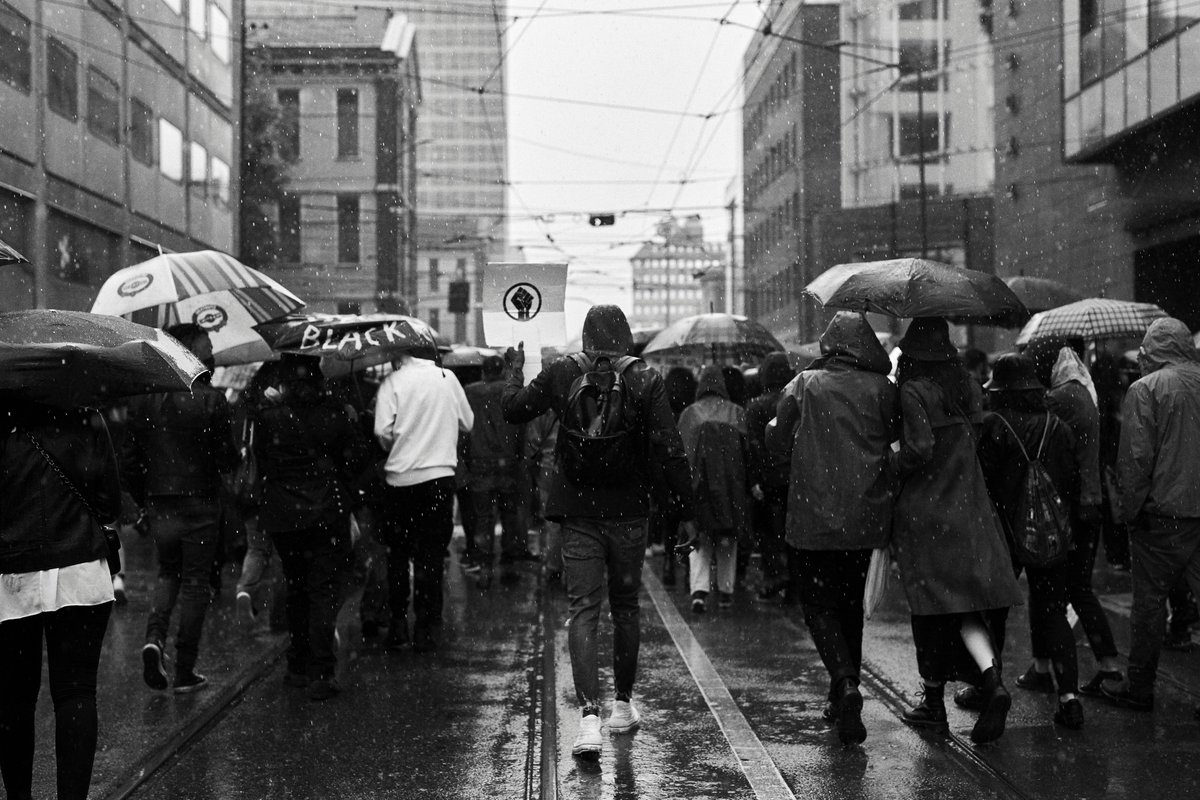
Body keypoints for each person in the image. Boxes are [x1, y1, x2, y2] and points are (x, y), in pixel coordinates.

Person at [502, 305, 696, 760]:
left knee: (583, 610)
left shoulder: (563, 371)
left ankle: (588, 719)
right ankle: (622, 706)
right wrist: (685, 511)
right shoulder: (646, 379)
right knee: (626, 607)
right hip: (629, 511)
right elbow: (670, 449)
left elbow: (513, 411)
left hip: (578, 510)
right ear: (626, 338)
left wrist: (513, 372)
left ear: (586, 337)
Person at [766, 312, 898, 745]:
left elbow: (777, 438)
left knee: (819, 607)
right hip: (865, 517)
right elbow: (895, 436)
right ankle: (845, 691)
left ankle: (843, 683)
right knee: (849, 608)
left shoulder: (806, 384)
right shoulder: (882, 389)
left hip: (813, 516)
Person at [891, 318, 1023, 745]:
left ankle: (933, 705)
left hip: (929, 512)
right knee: (968, 607)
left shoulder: (913, 390)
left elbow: (920, 448)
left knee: (929, 610)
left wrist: (891, 466)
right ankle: (993, 682)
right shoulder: (967, 384)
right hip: (969, 506)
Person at [1, 403, 121, 800]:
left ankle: (18, 795)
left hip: (11, 576)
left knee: (15, 696)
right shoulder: (83, 412)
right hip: (79, 567)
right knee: (76, 692)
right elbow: (109, 502)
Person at [123, 323, 237, 694]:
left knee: (168, 574)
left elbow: (129, 459)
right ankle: (185, 668)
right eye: (206, 348)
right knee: (195, 583)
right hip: (202, 503)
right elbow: (227, 459)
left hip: (161, 503)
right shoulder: (213, 401)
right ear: (192, 354)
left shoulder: (143, 400)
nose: (211, 355)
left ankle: (154, 640)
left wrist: (146, 500)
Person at [976, 353, 1085, 729]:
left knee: (994, 613)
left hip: (1003, 534)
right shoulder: (1059, 426)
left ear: (1000, 390)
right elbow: (1071, 482)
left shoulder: (994, 425)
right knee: (1053, 611)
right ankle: (1070, 699)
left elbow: (983, 485)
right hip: (1049, 535)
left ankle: (990, 687)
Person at [254, 356, 369, 700]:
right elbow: (357, 458)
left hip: (284, 516)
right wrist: (353, 420)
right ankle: (321, 671)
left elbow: (263, 463)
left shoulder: (268, 417)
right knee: (322, 590)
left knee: (296, 587)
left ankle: (296, 666)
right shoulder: (333, 412)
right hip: (323, 512)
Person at [1103, 318, 1200, 711]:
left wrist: (1129, 510)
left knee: (1149, 603)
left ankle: (1139, 686)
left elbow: (1135, 459)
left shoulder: (1146, 390)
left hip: (1162, 515)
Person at [1022, 339, 1123, 695]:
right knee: (1075, 588)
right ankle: (1102, 666)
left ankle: (1051, 670)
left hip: (1073, 503)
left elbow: (1032, 418)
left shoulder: (1062, 396)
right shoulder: (1082, 389)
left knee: (1055, 588)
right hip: (1089, 502)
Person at [373, 351, 473, 653]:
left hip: (400, 481)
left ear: (400, 355)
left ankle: (399, 623)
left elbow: (381, 431)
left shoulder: (393, 381)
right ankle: (426, 628)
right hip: (439, 479)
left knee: (398, 556)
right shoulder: (447, 378)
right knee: (431, 555)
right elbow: (467, 422)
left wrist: (402, 444)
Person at [677, 365, 754, 613]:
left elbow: (680, 454)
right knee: (727, 541)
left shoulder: (690, 414)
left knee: (698, 539)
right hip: (731, 489)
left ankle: (699, 591)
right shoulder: (737, 413)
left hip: (697, 487)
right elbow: (748, 454)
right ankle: (726, 590)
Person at [464, 354, 534, 581]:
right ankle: (509, 559)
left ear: (483, 372)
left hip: (479, 462)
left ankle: (484, 563)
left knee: (483, 516)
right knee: (509, 514)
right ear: (502, 370)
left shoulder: (470, 392)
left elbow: (464, 427)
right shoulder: (512, 390)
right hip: (508, 462)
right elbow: (522, 426)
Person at [745, 352, 795, 604]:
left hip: (767, 479)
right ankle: (793, 582)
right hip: (793, 477)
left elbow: (753, 445)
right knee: (791, 531)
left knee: (766, 531)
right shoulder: (794, 401)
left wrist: (754, 478)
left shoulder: (755, 406)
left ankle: (775, 575)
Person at [653, 367, 698, 587]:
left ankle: (669, 564)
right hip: (688, 472)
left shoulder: (664, 412)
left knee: (670, 522)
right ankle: (689, 566)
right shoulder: (693, 413)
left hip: (667, 473)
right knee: (689, 520)